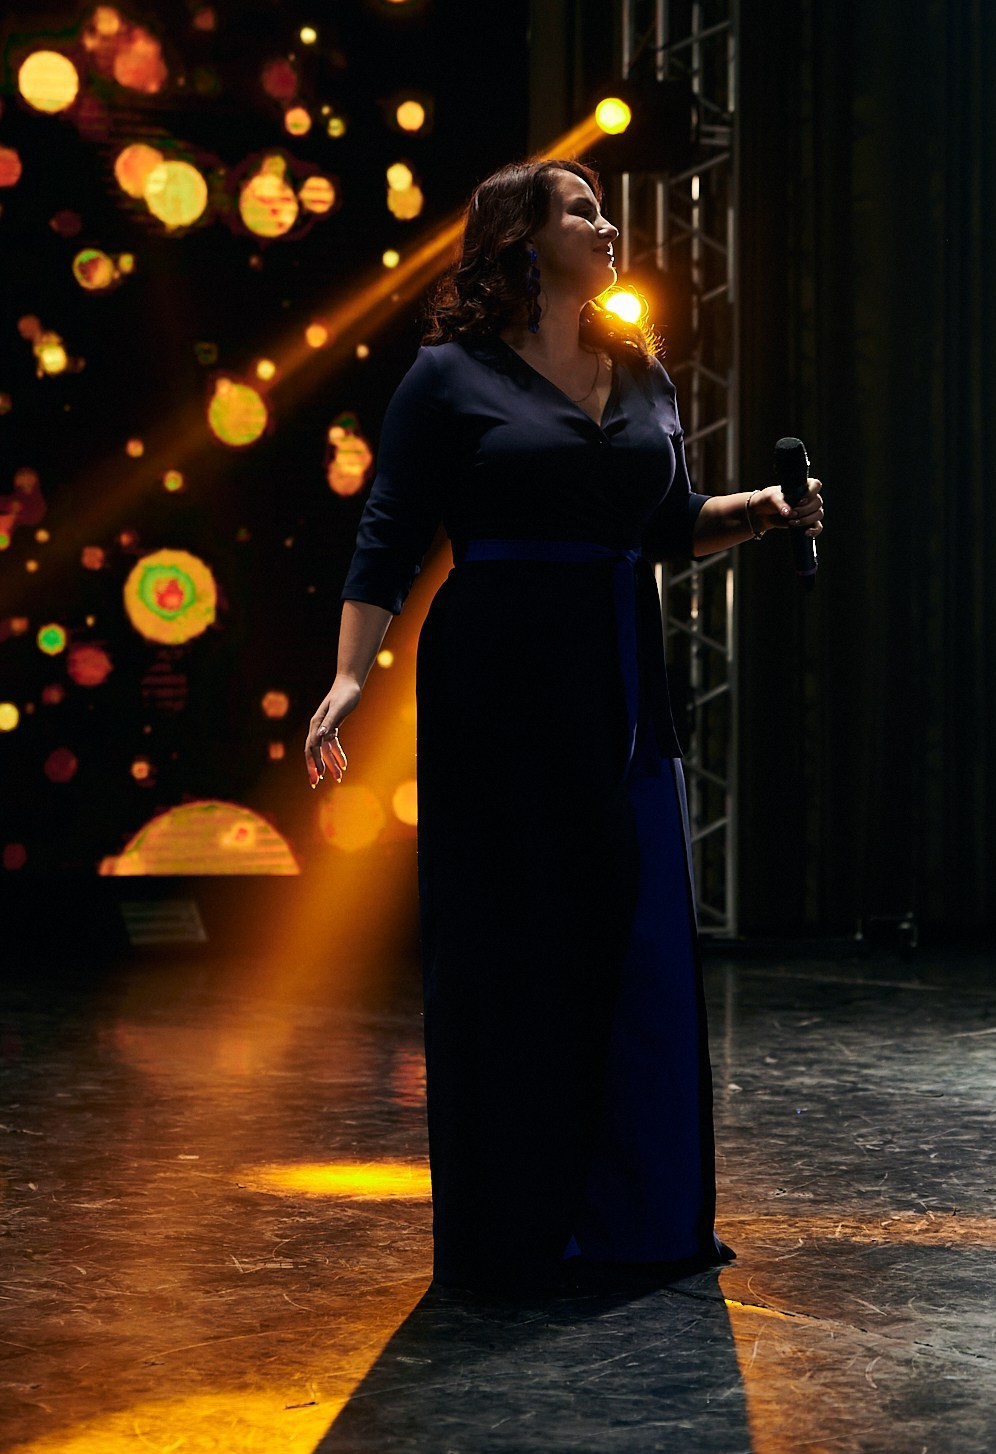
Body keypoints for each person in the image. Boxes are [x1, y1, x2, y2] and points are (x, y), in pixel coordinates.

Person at [304, 158, 824, 1295]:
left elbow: (669, 521)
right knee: (513, 948)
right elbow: (389, 532)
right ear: (521, 239)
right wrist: (349, 675)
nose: (607, 223)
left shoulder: (640, 371)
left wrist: (762, 512)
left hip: (620, 675)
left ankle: (636, 1221)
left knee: (637, 944)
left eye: (602, 208)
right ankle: (517, 1229)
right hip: (496, 681)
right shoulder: (449, 376)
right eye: (581, 209)